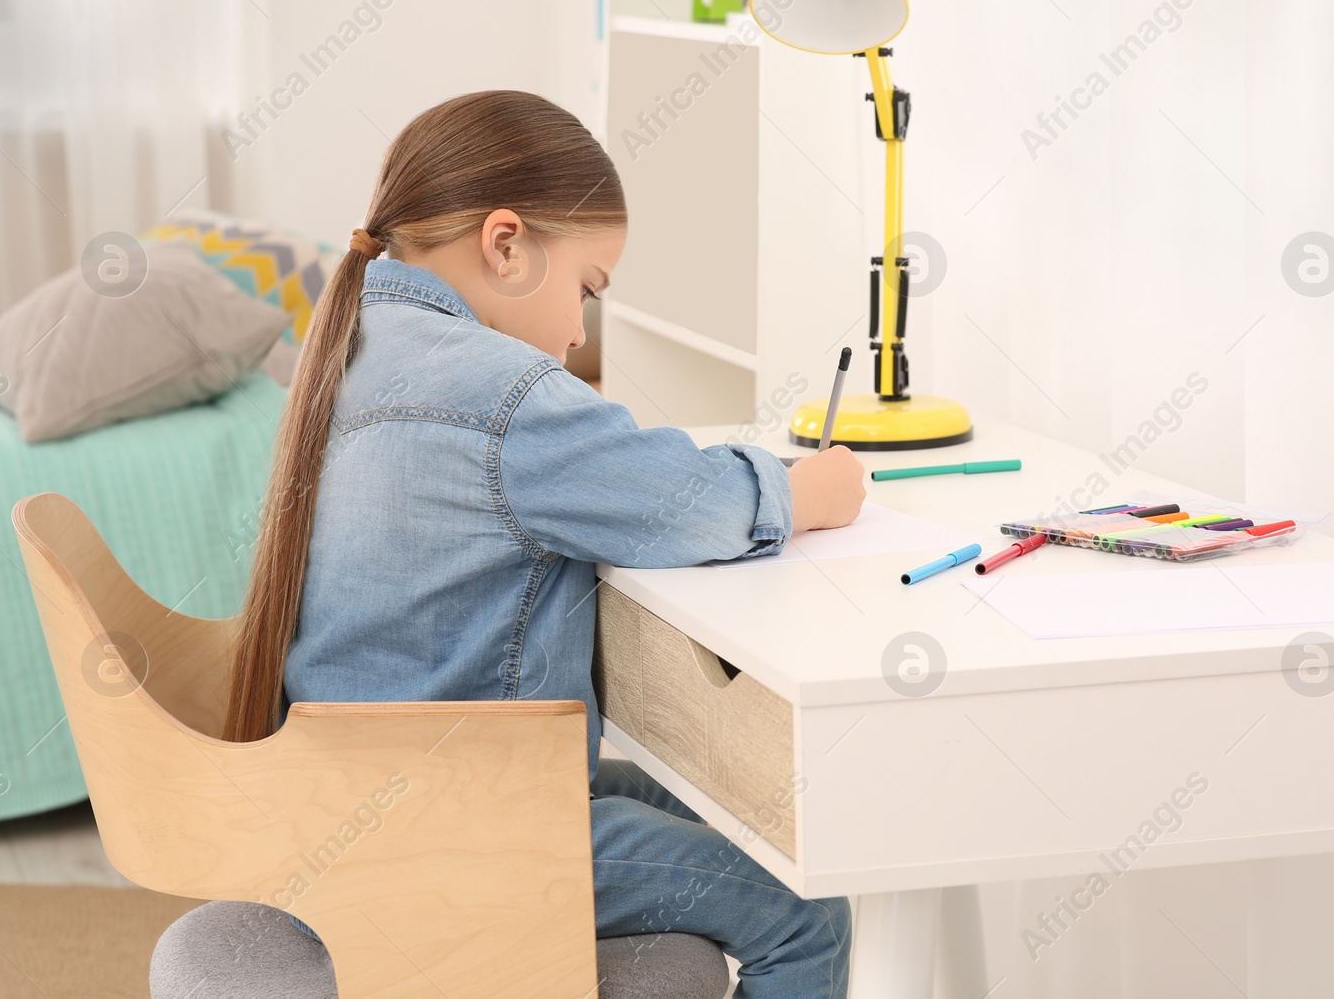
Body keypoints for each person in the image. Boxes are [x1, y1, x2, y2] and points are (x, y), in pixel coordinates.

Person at [222, 90, 865, 998]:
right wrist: (812, 489)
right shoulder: (499, 389)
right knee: (809, 914)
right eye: (588, 290)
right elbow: (686, 505)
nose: (576, 332)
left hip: (352, 802)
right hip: (464, 823)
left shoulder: (355, 342)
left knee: (723, 816)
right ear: (508, 245)